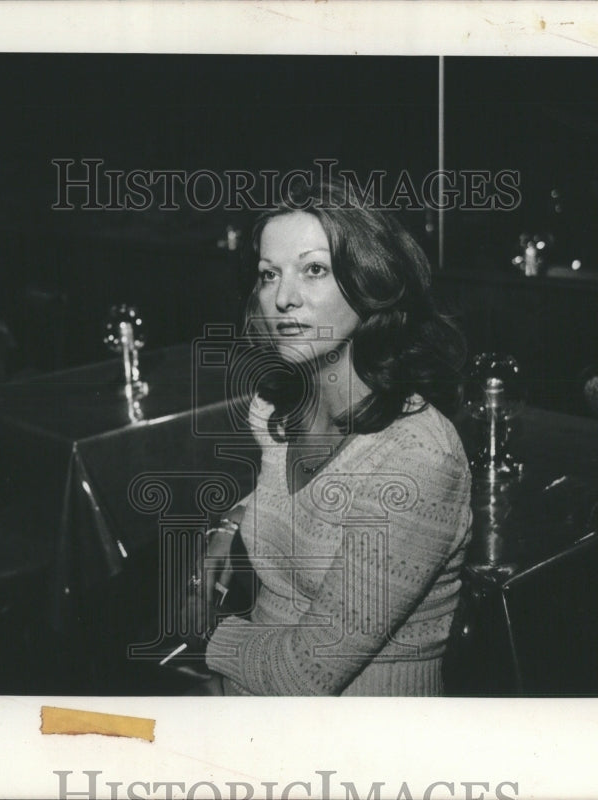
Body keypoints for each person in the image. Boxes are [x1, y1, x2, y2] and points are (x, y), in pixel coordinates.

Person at [194, 178, 472, 696]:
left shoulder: (417, 458)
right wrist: (230, 524)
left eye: (313, 270)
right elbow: (309, 504)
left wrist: (203, 636)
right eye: (268, 274)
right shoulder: (279, 413)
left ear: (371, 281)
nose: (283, 298)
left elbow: (307, 672)